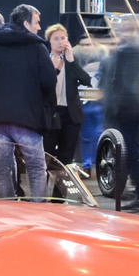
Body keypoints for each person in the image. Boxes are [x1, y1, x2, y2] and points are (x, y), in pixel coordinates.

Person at [0, 3, 57, 198]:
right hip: (29, 119)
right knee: (35, 168)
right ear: (26, 23)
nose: (39, 27)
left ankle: (6, 209)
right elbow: (49, 81)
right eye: (36, 22)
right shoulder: (37, 47)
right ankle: (38, 211)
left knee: (3, 169)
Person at [100, 17, 139, 211]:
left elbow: (116, 82)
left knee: (131, 153)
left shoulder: (123, 53)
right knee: (135, 151)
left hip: (125, 110)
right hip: (138, 108)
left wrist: (114, 106)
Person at [43, 23, 92, 170]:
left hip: (70, 114)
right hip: (50, 113)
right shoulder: (44, 59)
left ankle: (62, 184)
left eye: (63, 38)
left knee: (66, 156)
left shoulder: (71, 60)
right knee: (47, 155)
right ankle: (46, 183)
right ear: (49, 41)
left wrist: (71, 61)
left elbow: (86, 80)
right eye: (56, 38)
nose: (60, 41)